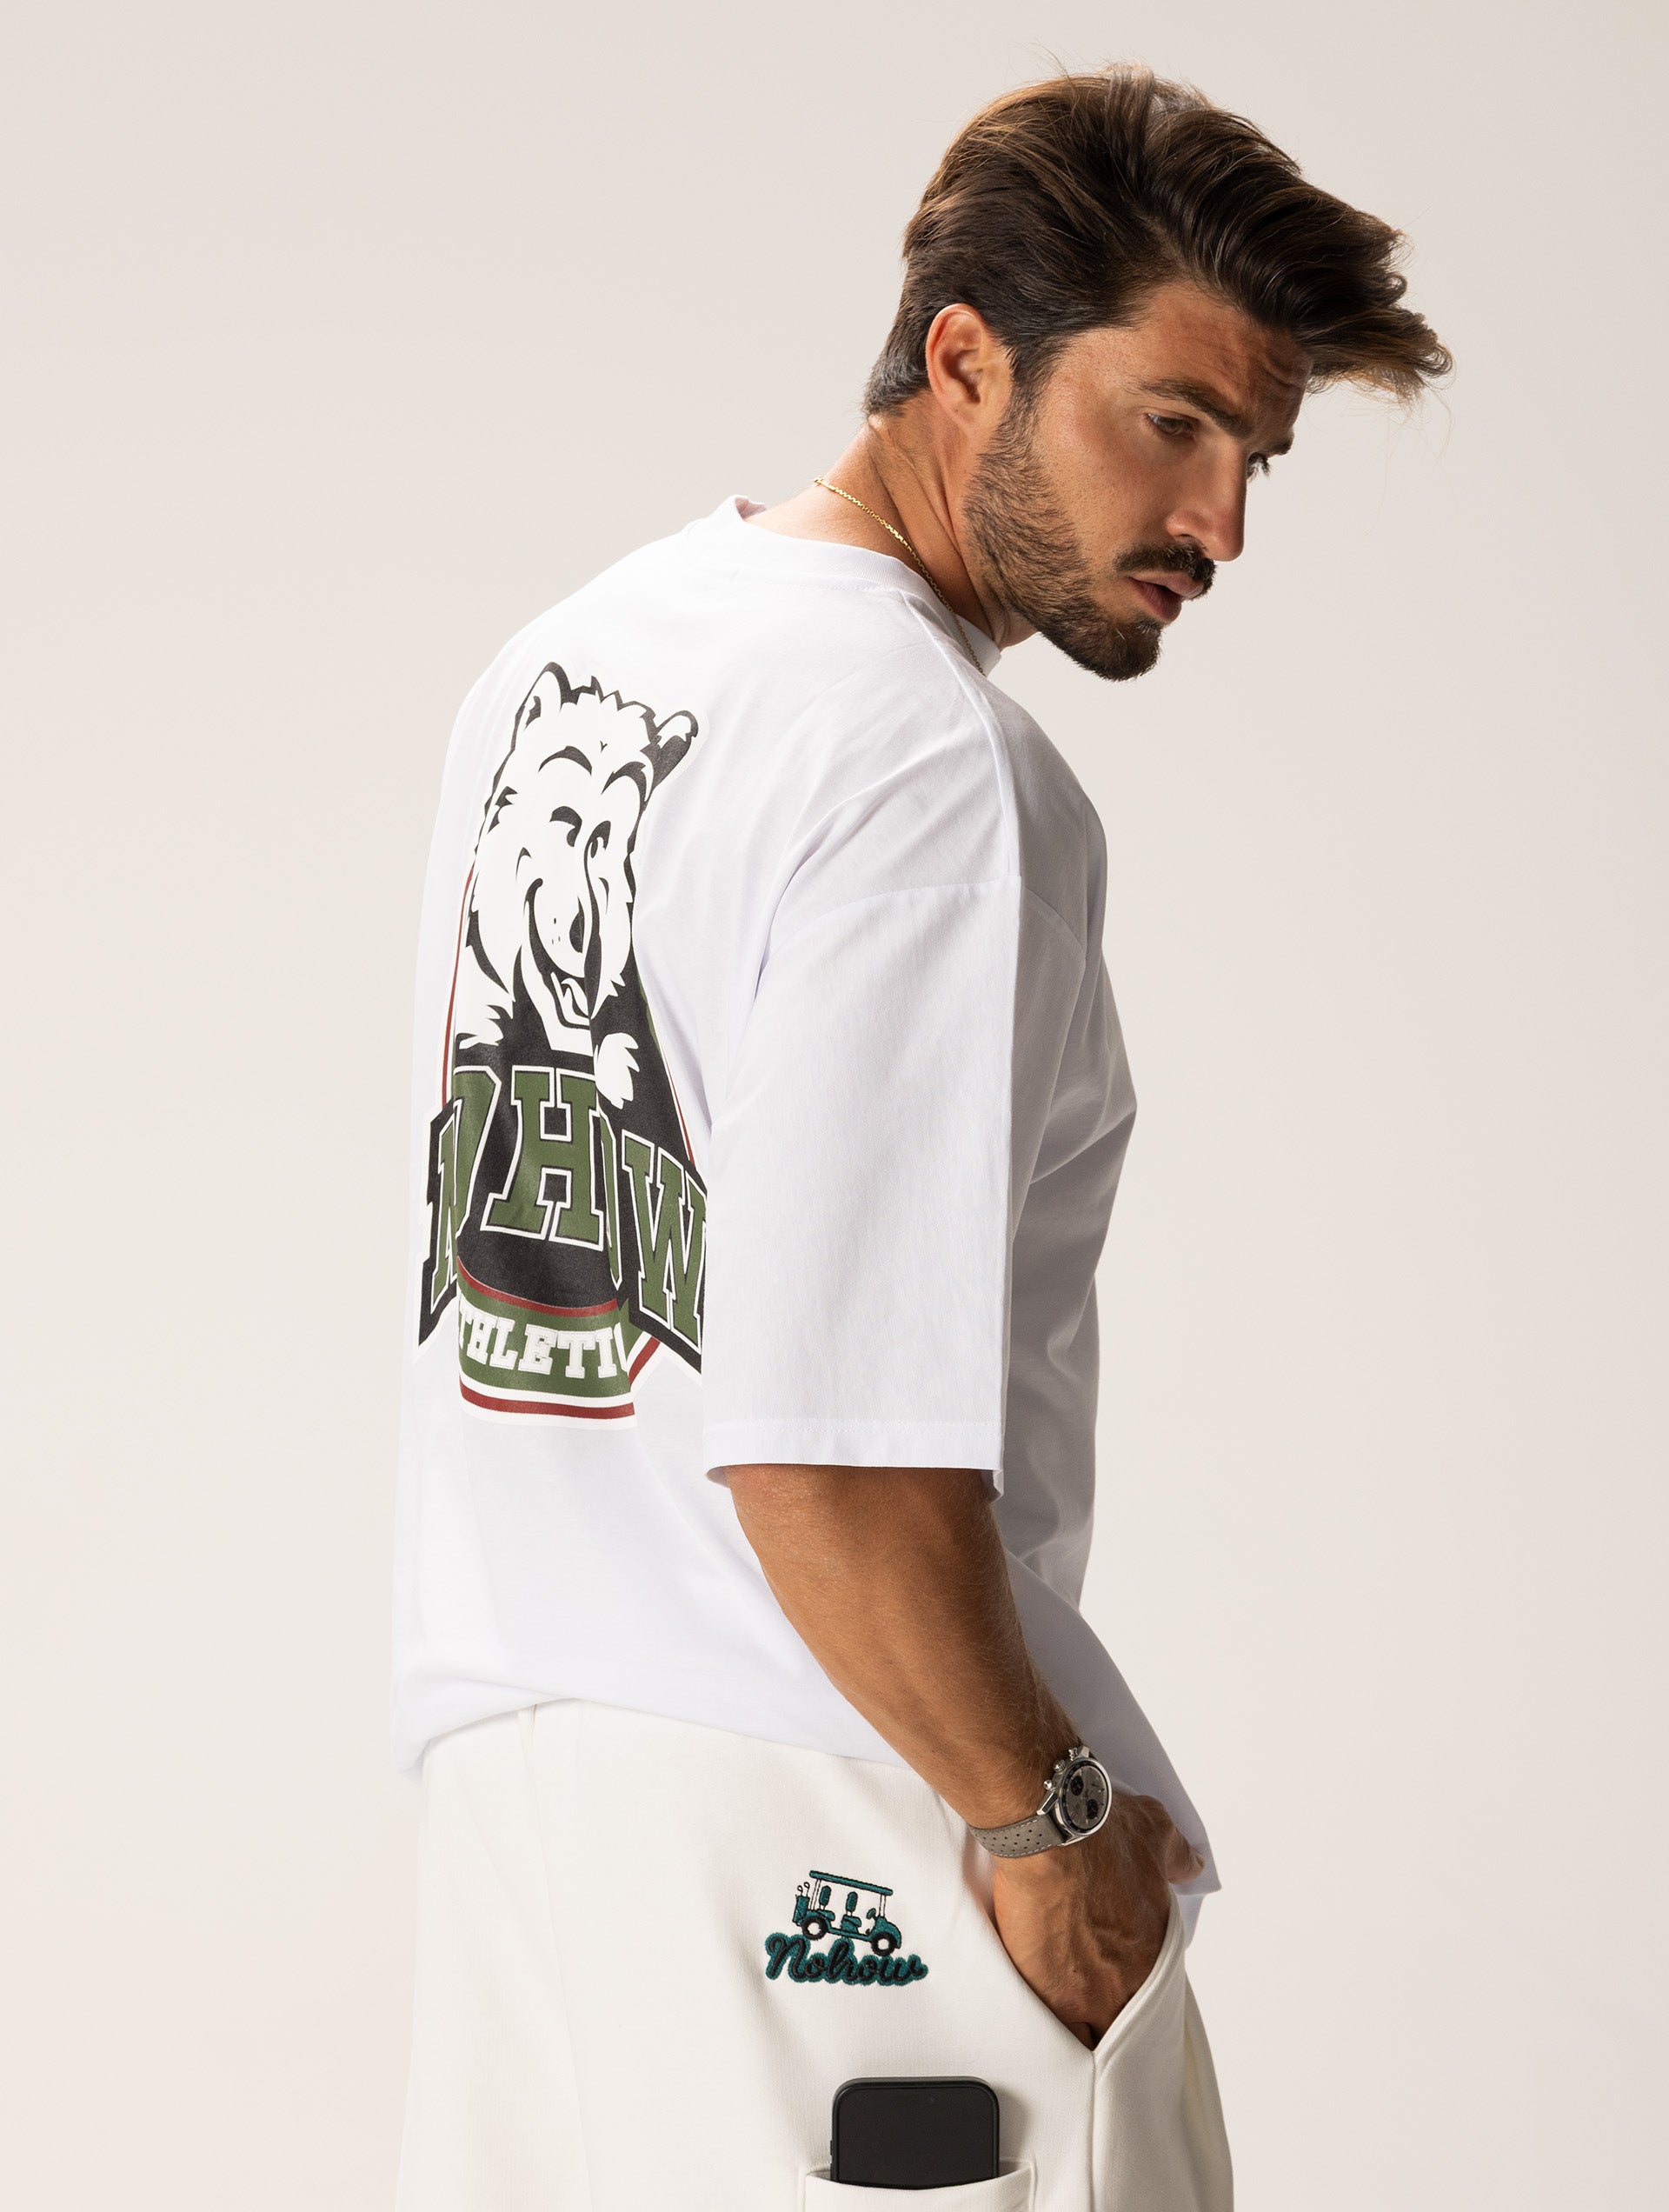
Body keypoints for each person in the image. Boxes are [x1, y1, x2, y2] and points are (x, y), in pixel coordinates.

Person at [393, 63, 1447, 2212]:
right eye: (1171, 420)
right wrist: (1046, 1821)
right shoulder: (927, 761)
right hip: (840, 1823)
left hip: (526, 1817)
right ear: (966, 359)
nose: (1221, 521)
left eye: (1255, 454)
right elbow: (824, 1437)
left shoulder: (571, 669)